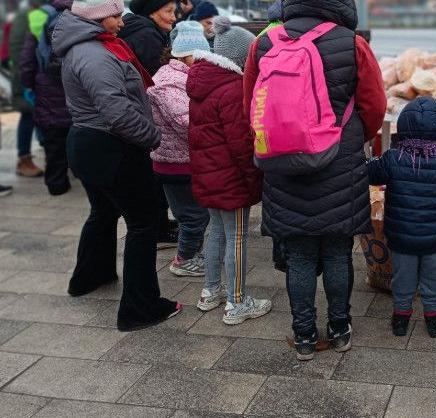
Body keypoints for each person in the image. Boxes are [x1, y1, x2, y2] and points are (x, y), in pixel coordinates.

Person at [243, 0, 386, 360]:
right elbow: (374, 106)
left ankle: (304, 334)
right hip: (340, 162)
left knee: (300, 256)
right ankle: (340, 329)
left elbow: (251, 105)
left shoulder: (264, 42)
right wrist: (350, 137)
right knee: (338, 252)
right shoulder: (352, 43)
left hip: (283, 166)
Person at [54, 0, 181, 331]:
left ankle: (88, 278)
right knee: (142, 224)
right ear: (97, 18)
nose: (121, 22)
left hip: (89, 142)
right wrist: (152, 137)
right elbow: (117, 113)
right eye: (114, 16)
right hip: (110, 146)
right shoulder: (96, 55)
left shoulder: (86, 47)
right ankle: (140, 308)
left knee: (103, 212)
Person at [187, 17, 272, 325]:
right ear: (240, 57)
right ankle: (237, 302)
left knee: (216, 232)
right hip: (230, 177)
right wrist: (254, 178)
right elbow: (240, 145)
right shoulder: (233, 89)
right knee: (236, 236)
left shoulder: (201, 82)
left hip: (208, 174)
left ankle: (210, 292)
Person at [368, 97, 436, 338]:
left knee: (403, 279)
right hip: (435, 240)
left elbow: (371, 174)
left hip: (402, 240)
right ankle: (434, 319)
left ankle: (401, 318)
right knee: (433, 280)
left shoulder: (394, 158)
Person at [147, 21, 210, 277]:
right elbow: (186, 121)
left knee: (196, 214)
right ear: (185, 54)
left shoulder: (181, 76)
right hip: (175, 164)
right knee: (193, 216)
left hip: (182, 160)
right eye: (201, 55)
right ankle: (183, 259)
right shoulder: (169, 82)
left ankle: (192, 253)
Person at [121, 0, 179, 249]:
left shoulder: (143, 30)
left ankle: (160, 224)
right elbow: (158, 82)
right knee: (154, 173)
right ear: (151, 11)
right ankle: (159, 229)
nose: (174, 17)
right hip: (146, 112)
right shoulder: (146, 35)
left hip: (140, 109)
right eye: (168, 11)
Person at [19, 0, 74, 196]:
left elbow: (27, 58)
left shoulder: (40, 16)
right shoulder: (80, 15)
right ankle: (81, 176)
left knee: (53, 142)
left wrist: (28, 84)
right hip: (72, 85)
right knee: (74, 137)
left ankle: (56, 184)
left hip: (46, 87)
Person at [9, 0, 44, 178]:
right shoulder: (27, 16)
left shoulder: (27, 15)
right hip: (26, 75)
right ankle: (24, 159)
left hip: (26, 73)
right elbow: (22, 50)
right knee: (28, 114)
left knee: (32, 114)